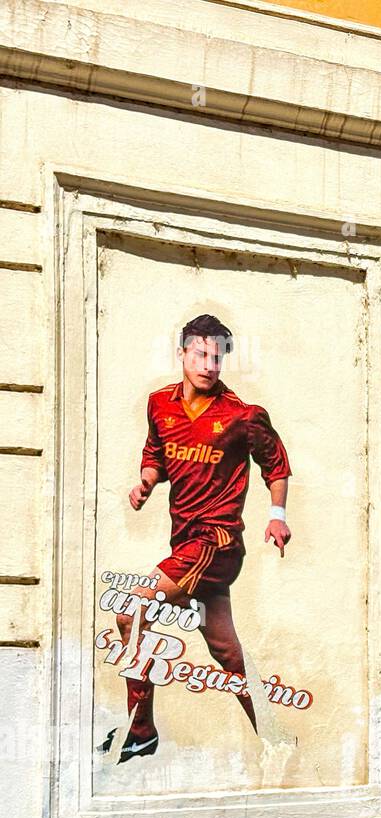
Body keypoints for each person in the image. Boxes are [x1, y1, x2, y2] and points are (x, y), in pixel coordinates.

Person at [100, 314, 293, 762]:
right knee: (228, 652)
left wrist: (277, 516)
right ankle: (275, 735)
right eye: (200, 354)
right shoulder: (160, 405)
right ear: (183, 353)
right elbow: (156, 454)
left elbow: (276, 466)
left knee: (131, 614)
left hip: (217, 542)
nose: (209, 364)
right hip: (186, 545)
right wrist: (146, 483)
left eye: (217, 357)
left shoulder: (242, 416)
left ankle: (141, 729)